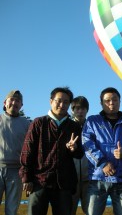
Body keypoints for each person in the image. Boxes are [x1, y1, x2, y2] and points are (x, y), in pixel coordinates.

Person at [19, 87, 84, 215]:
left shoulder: (74, 126)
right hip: (39, 181)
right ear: (51, 101)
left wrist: (74, 149)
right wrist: (26, 177)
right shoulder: (39, 123)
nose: (62, 105)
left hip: (64, 183)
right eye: (58, 101)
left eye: (66, 102)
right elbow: (27, 151)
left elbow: (80, 154)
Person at [82, 87, 122, 215]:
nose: (111, 103)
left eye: (115, 100)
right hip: (98, 179)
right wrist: (103, 163)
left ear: (120, 102)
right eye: (107, 100)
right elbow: (87, 144)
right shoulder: (92, 121)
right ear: (101, 103)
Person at [0, 90, 30, 215]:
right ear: (5, 102)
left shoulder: (27, 124)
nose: (14, 102)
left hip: (17, 171)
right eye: (12, 99)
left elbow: (31, 150)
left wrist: (29, 175)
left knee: (12, 210)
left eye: (18, 101)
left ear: (21, 105)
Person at [71, 96, 89, 215]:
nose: (80, 111)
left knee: (90, 210)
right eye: (77, 108)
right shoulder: (67, 126)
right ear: (72, 110)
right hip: (71, 178)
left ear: (87, 110)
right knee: (69, 209)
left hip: (89, 178)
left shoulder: (92, 126)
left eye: (83, 108)